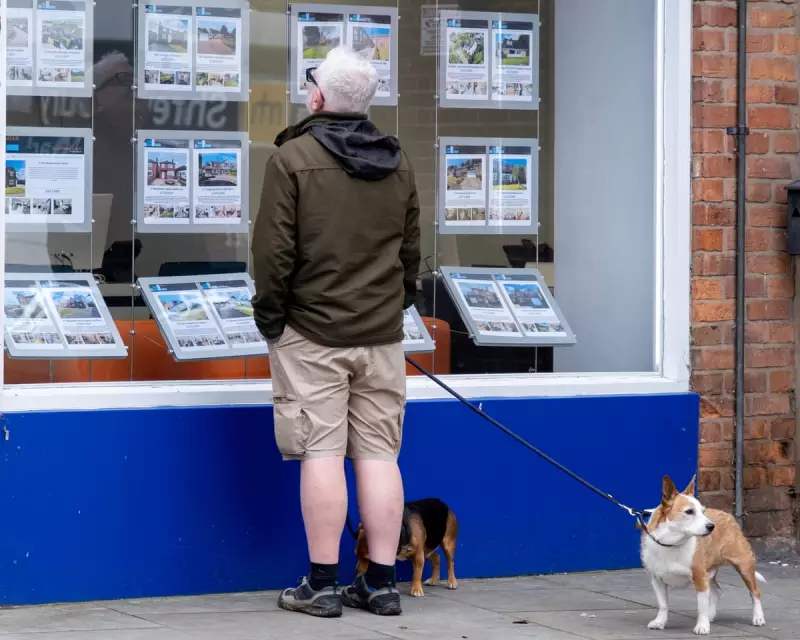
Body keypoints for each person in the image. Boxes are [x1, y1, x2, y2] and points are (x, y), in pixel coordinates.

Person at [251, 46, 421, 619]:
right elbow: (411, 254)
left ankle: (322, 584)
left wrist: (272, 321)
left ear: (317, 96)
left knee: (319, 451)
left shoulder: (292, 158)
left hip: (313, 332)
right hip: (381, 333)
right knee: (379, 455)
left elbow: (272, 254)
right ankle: (381, 584)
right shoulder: (398, 160)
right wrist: (392, 310)